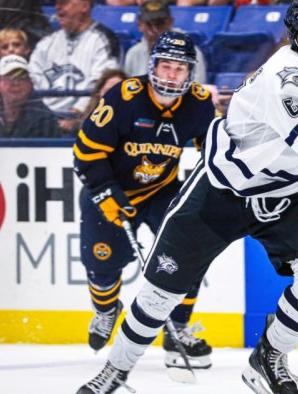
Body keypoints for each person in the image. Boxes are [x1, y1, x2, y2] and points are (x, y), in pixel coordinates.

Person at [75, 0, 298, 394]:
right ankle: (115, 371)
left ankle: (268, 359)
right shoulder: (285, 79)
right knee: (159, 296)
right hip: (220, 194)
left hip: (282, 194)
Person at [72, 31, 216, 371]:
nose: (171, 75)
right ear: (152, 66)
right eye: (165, 66)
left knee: (189, 253)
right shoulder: (124, 97)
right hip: (111, 188)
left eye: (179, 69)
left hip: (161, 192)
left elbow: (213, 152)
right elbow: (84, 153)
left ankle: (177, 330)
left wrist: (210, 190)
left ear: (190, 73)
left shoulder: (197, 102)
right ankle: (107, 312)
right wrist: (104, 191)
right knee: (103, 264)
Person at [28, 0, 121, 135]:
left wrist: (75, 114)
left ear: (84, 6)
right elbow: (32, 77)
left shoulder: (103, 39)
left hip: (84, 119)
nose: (58, 7)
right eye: (57, 2)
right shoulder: (47, 42)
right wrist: (42, 116)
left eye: (65, 1)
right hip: (45, 119)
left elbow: (101, 82)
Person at [0, 55, 61, 138]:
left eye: (22, 78)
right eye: (9, 78)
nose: (15, 83)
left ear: (30, 84)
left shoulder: (45, 117)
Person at [123, 0, 207, 83]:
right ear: (139, 25)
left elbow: (197, 88)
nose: (155, 30)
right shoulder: (133, 53)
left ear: (170, 22)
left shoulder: (191, 52)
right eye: (149, 24)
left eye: (160, 24)